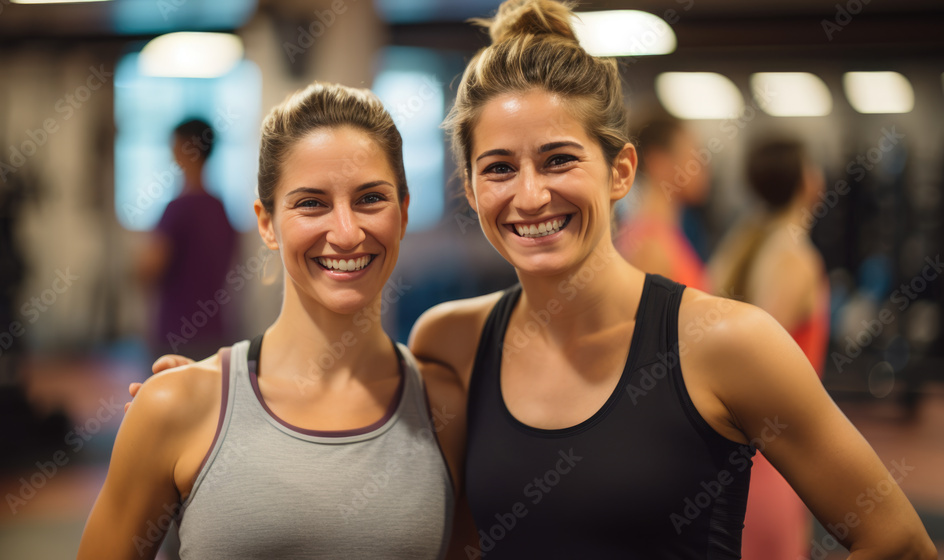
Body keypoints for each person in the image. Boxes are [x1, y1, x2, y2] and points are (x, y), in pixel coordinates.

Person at [138, 1, 936, 557]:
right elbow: (348, 416)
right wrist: (211, 396)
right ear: (469, 186)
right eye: (499, 168)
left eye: (559, 160)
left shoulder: (728, 344)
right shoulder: (452, 340)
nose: (530, 195)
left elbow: (895, 540)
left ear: (620, 168)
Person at [79, 83, 465, 559]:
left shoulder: (447, 410)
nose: (346, 232)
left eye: (370, 199)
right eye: (311, 203)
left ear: (403, 214)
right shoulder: (172, 407)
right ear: (266, 223)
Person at [709, 137, 830, 559]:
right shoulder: (792, 258)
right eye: (812, 167)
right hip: (772, 450)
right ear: (804, 181)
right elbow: (754, 362)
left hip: (758, 444)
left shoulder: (743, 242)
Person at [137, 118, 238, 361]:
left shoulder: (177, 210)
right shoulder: (221, 210)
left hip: (176, 335)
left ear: (185, 149)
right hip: (216, 333)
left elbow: (150, 269)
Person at [614, 113, 711, 291]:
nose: (702, 166)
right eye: (691, 156)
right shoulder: (650, 247)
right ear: (658, 162)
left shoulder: (668, 231)